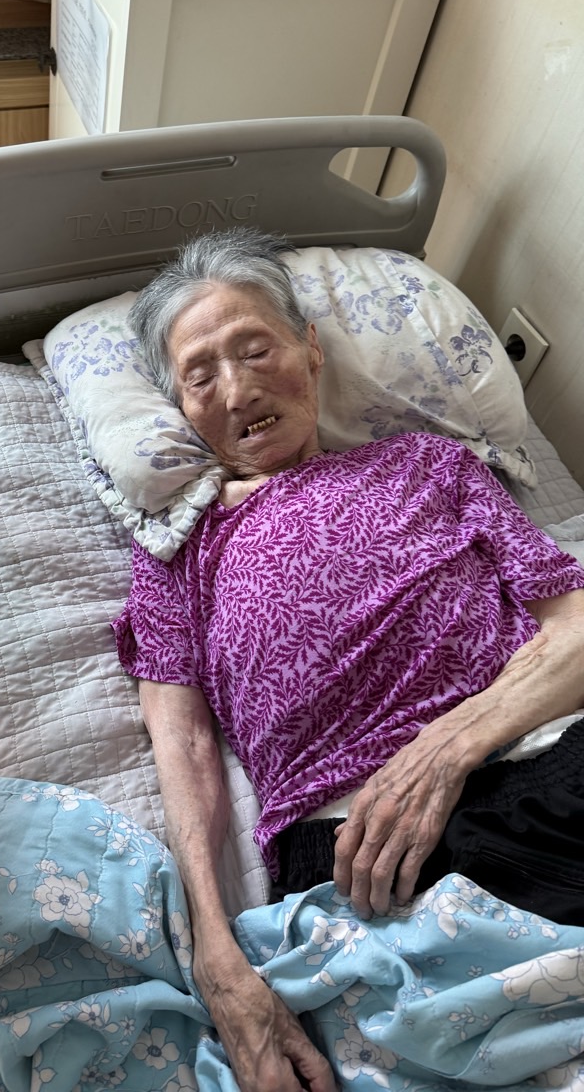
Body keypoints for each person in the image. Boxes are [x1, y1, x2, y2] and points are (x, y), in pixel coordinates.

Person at [112, 230, 584, 1092]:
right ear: (180, 407)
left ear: (311, 349)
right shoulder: (177, 550)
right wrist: (219, 962)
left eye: (256, 348)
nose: (238, 387)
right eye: (200, 374)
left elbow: (576, 627)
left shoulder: (433, 464)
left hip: (540, 763)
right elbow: (181, 743)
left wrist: (445, 750)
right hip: (359, 860)